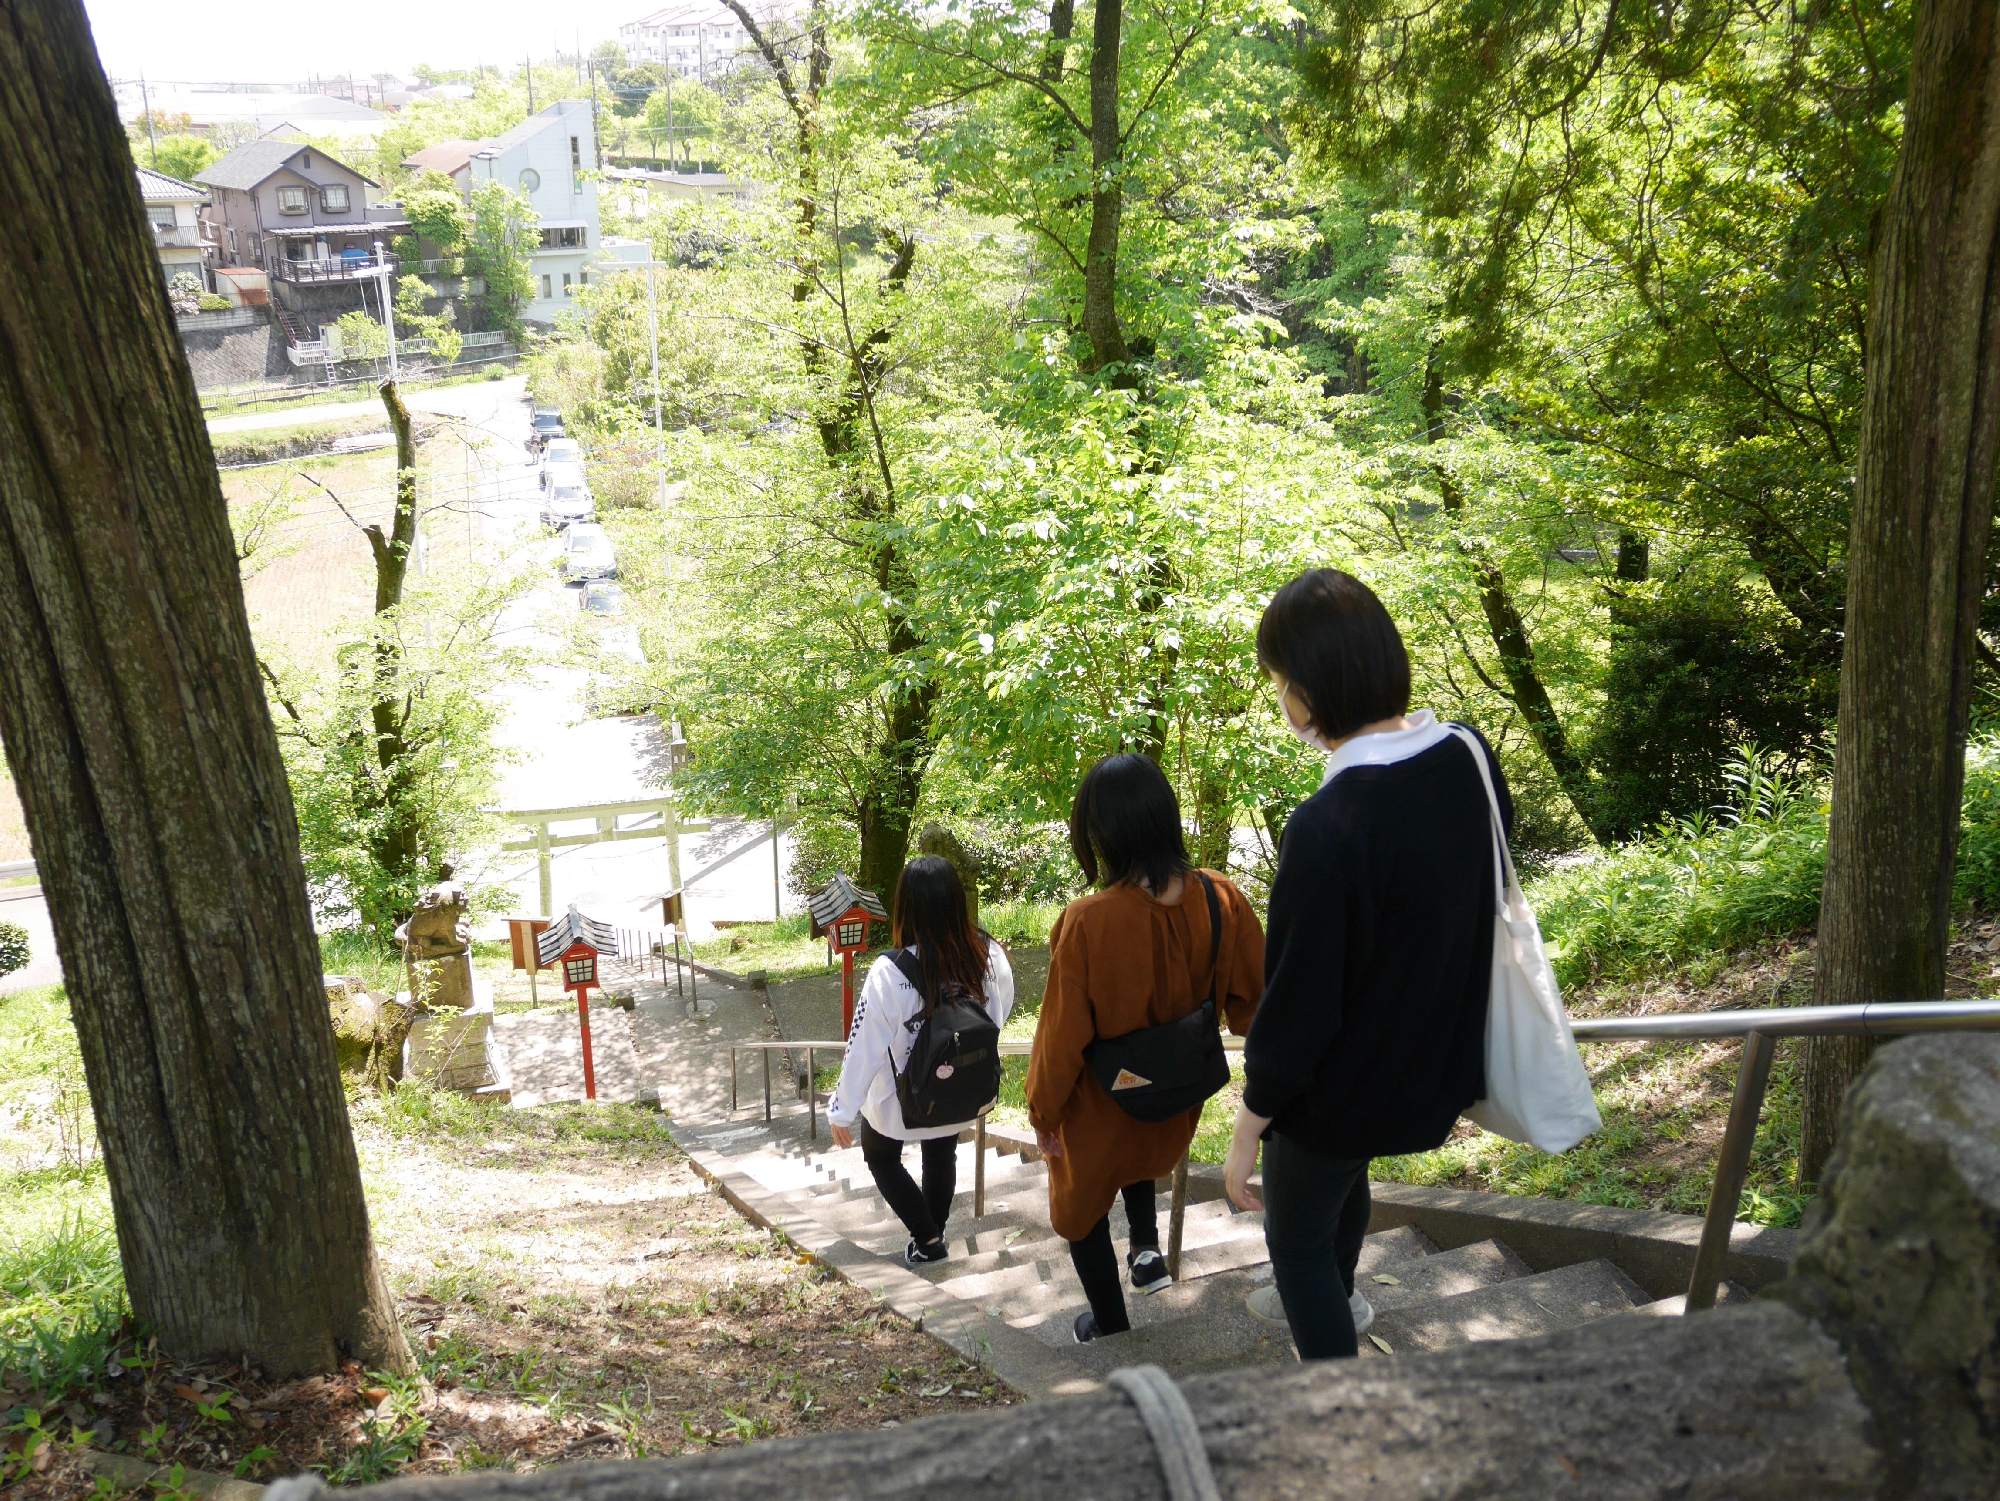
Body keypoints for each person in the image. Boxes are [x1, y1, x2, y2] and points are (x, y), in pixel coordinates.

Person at [1222, 568, 1512, 1360]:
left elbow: (1299, 1004)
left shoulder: (1329, 823)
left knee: (1298, 1248)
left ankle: (1340, 1401)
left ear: (1309, 691)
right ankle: (1343, 1307)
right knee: (1341, 1184)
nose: (1280, 699)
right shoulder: (1466, 755)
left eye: (1279, 681)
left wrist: (1249, 1126)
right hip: (1431, 1066)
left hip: (1338, 1089)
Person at [1029, 755, 1264, 1344]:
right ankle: (1147, 1253)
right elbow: (1255, 1004)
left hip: (1102, 1111)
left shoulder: (1087, 920)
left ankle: (1110, 1327)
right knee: (1139, 1164)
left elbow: (1060, 1039)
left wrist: (1043, 1113)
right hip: (1177, 1104)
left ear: (1099, 834)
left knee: (1079, 1215)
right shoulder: (1221, 897)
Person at [829, 856, 1014, 1266]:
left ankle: (928, 1237)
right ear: (954, 902)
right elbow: (996, 1015)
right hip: (960, 1089)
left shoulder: (889, 970)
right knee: (940, 1149)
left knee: (879, 1155)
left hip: (902, 1100)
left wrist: (842, 1108)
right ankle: (933, 1236)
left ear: (905, 907)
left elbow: (864, 1044)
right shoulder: (988, 954)